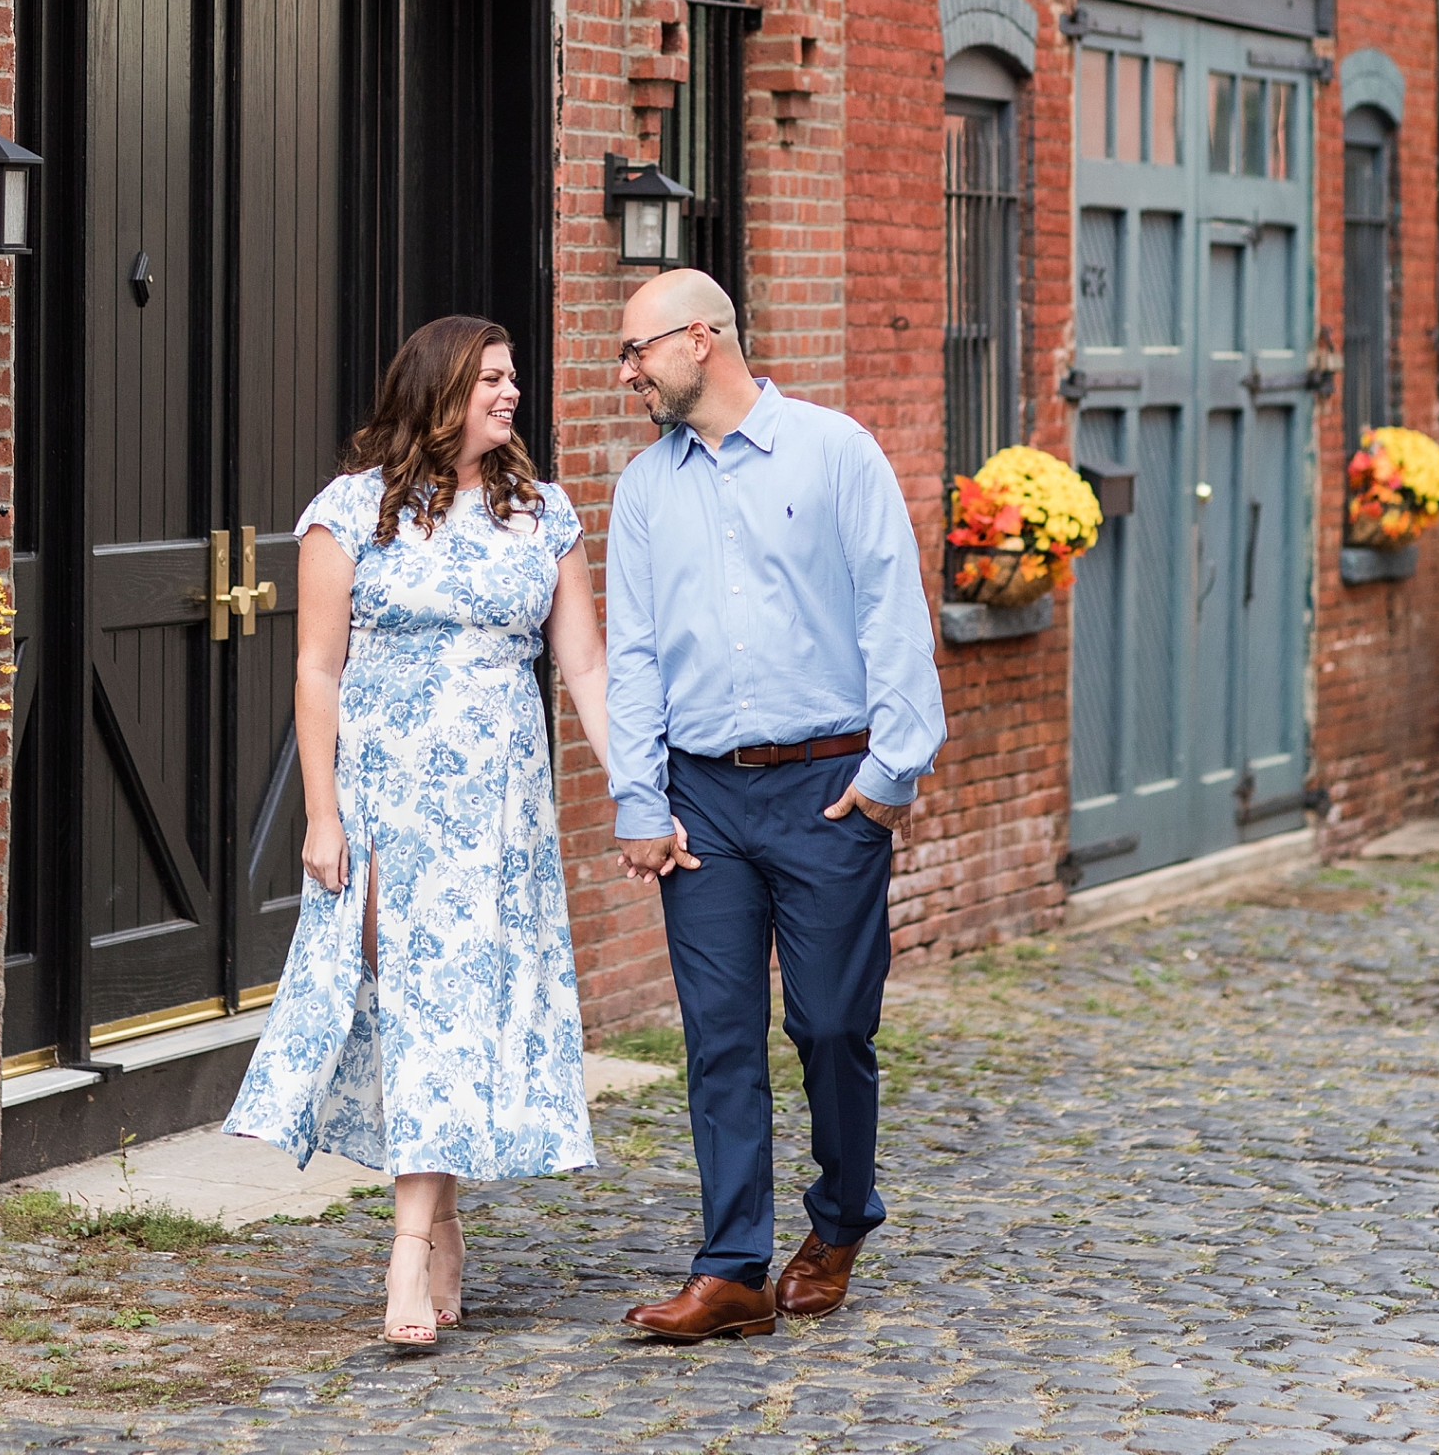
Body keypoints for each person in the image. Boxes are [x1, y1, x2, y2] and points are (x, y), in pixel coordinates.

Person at [225, 315, 609, 1350]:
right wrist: (321, 811)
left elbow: (584, 666)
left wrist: (635, 786)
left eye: (514, 377)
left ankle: (436, 1225)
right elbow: (315, 668)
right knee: (417, 1004)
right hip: (391, 802)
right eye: (491, 377)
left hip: (503, 810)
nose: (511, 392)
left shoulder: (547, 515)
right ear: (439, 390)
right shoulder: (348, 513)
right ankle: (411, 1246)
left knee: (462, 1009)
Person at [605, 270, 946, 1341]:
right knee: (717, 1035)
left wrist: (893, 770)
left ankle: (842, 1216)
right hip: (703, 799)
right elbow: (636, 656)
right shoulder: (644, 488)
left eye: (636, 351)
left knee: (834, 1024)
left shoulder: (835, 451)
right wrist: (638, 795)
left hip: (826, 786)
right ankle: (733, 1266)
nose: (625, 374)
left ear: (700, 340)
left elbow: (893, 604)